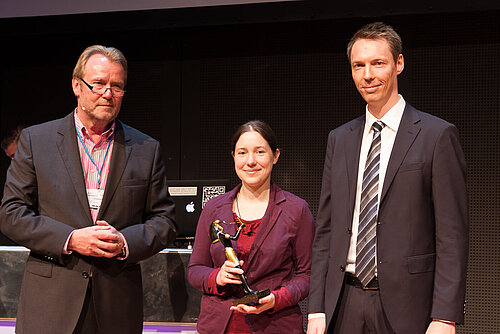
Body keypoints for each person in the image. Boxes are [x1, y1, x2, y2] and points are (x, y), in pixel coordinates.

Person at [0, 45, 177, 334]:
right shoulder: (37, 141)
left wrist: (124, 242)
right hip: (50, 304)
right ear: (76, 86)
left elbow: (165, 221)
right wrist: (69, 238)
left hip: (116, 305)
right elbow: (11, 213)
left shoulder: (146, 149)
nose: (108, 93)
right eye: (98, 84)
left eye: (117, 86)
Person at [307, 22, 468, 334]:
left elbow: (452, 235)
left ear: (399, 64)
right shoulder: (339, 139)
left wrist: (445, 316)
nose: (368, 75)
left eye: (378, 63)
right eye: (358, 65)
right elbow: (325, 231)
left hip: (409, 304)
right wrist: (316, 308)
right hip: (344, 303)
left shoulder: (436, 136)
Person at [187, 120, 315, 333]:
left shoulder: (296, 210)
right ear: (234, 157)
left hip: (275, 325)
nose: (251, 161)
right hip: (219, 326)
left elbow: (308, 275)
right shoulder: (213, 208)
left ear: (275, 156)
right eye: (242, 153)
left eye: (260, 152)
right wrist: (216, 277)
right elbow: (194, 270)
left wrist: (277, 298)